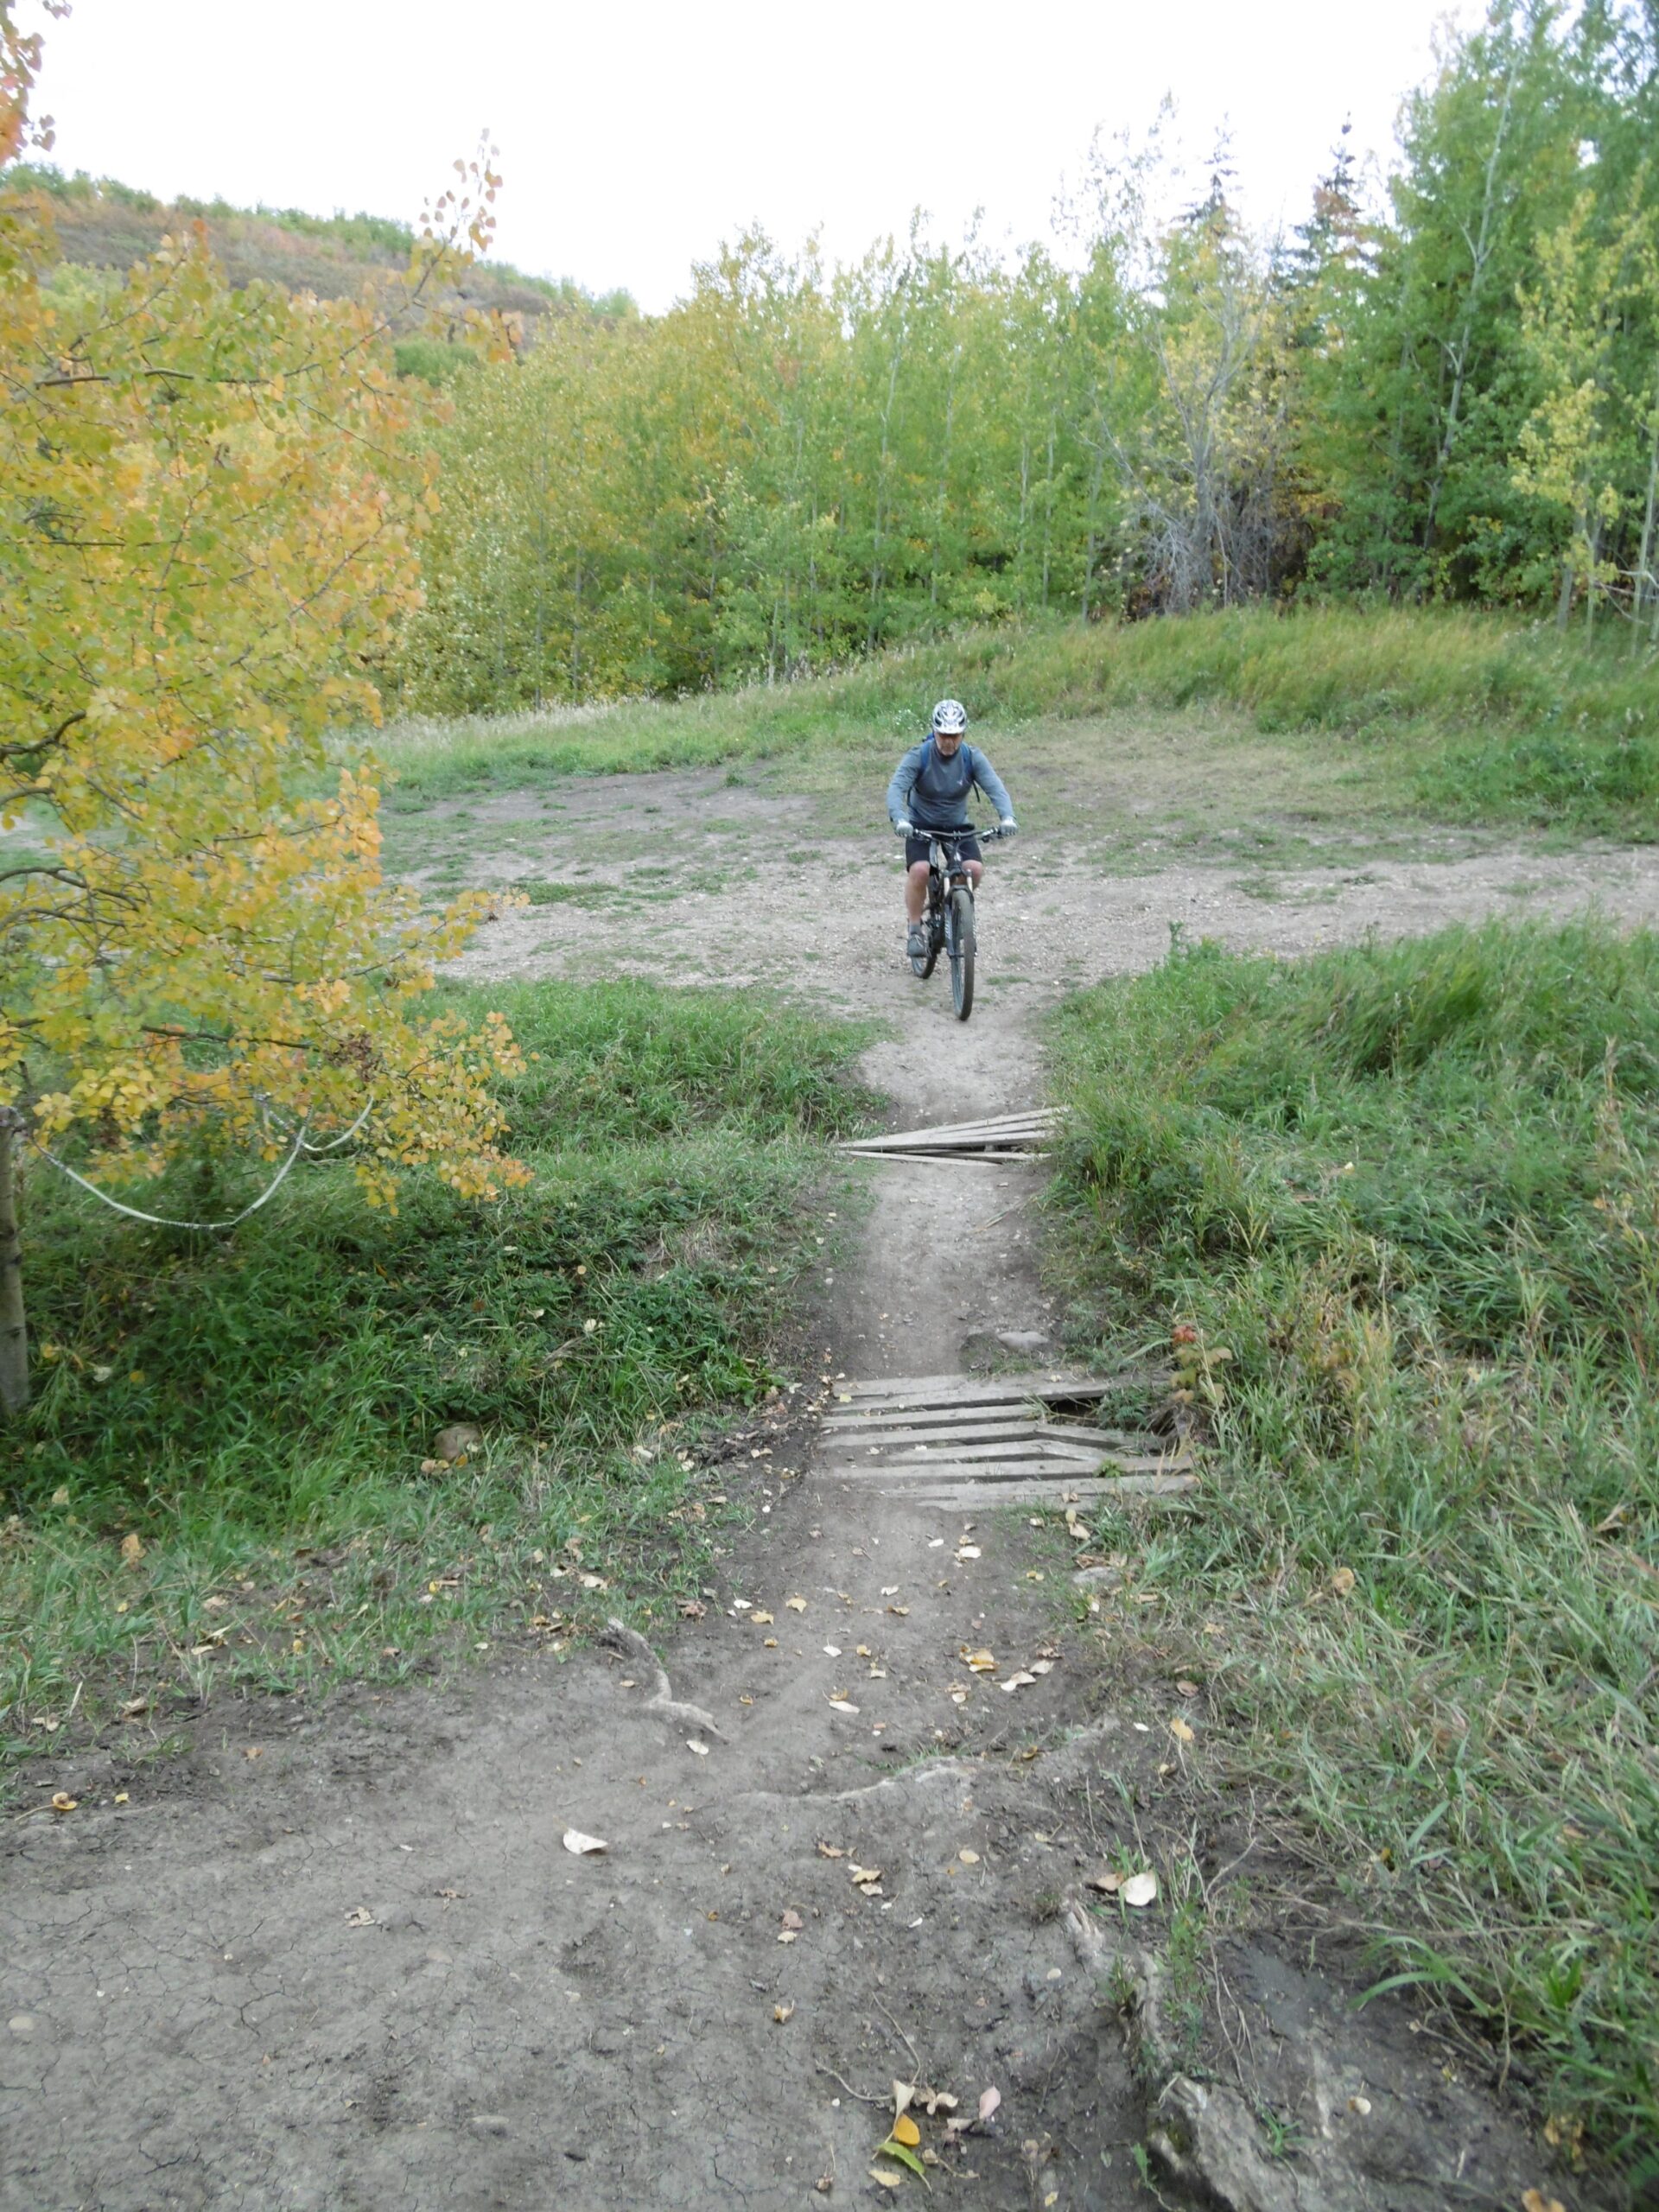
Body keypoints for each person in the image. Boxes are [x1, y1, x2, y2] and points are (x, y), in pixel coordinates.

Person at [887, 699, 1016, 963]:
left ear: (963, 734)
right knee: (921, 870)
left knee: (974, 870)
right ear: (934, 732)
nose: (949, 742)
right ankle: (914, 929)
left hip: (957, 826)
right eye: (943, 735)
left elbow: (995, 788)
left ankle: (957, 917)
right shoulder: (919, 755)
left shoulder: (972, 757)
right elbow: (896, 788)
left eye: (954, 735)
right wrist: (900, 819)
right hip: (920, 825)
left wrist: (1007, 817)